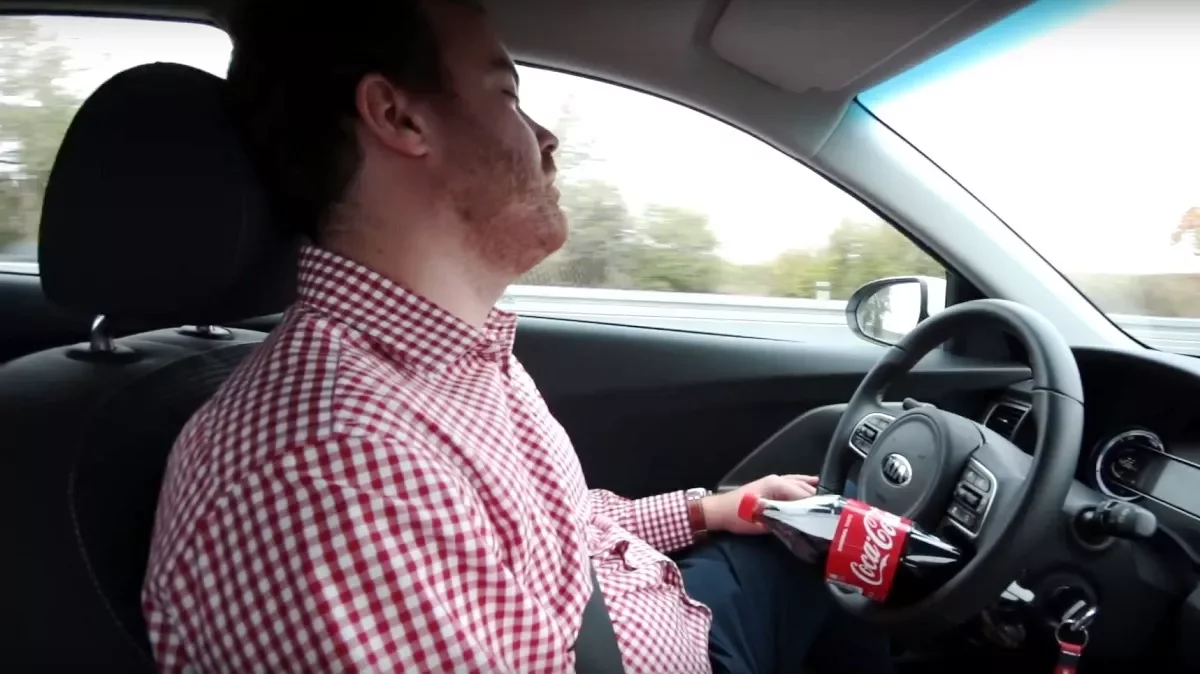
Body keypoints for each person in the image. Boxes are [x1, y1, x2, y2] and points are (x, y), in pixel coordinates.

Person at [141, 1, 894, 672]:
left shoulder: (451, 357)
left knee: (831, 537)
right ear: (399, 118)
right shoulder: (330, 472)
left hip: (670, 616)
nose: (547, 136)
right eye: (507, 94)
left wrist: (711, 509)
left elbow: (555, 535)